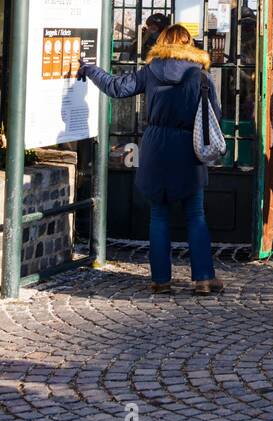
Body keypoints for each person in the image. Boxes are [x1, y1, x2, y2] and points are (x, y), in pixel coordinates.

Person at [77, 24, 223, 295]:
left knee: (159, 215)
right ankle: (203, 278)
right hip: (188, 147)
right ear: (189, 43)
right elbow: (215, 114)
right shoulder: (200, 75)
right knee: (195, 215)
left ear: (162, 42)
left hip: (156, 145)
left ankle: (160, 280)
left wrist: (89, 69)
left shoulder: (151, 71)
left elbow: (116, 87)